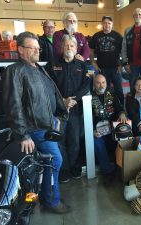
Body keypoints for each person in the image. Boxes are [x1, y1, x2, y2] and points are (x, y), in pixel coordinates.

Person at [2, 31, 70, 213]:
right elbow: (13, 104)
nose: (37, 51)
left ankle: (41, 199)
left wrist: (54, 117)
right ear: (21, 50)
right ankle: (51, 201)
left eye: (38, 48)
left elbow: (45, 99)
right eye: (33, 48)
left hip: (45, 126)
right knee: (55, 160)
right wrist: (22, 135)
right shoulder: (15, 70)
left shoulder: (38, 68)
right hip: (33, 130)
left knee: (42, 166)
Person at [46, 35, 92, 183]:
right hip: (58, 111)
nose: (69, 48)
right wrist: (62, 101)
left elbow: (86, 85)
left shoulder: (81, 65)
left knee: (75, 141)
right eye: (66, 46)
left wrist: (73, 100)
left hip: (75, 111)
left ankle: (73, 166)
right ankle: (64, 169)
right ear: (61, 47)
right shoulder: (52, 64)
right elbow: (48, 86)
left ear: (76, 48)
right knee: (60, 141)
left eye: (72, 46)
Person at [92, 74, 127, 185]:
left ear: (106, 83)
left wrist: (122, 114)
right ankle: (108, 172)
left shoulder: (112, 94)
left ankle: (122, 168)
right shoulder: (89, 97)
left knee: (124, 136)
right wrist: (92, 130)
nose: (101, 85)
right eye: (98, 82)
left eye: (103, 82)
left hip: (113, 127)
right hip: (98, 130)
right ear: (94, 84)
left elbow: (120, 108)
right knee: (96, 142)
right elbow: (86, 117)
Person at [89, 16, 124, 104]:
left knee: (118, 89)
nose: (107, 25)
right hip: (102, 68)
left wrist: (121, 65)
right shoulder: (96, 36)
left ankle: (121, 109)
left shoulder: (118, 36)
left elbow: (123, 51)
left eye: (109, 23)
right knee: (104, 90)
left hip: (115, 68)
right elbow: (91, 50)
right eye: (105, 23)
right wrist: (93, 62)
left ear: (112, 25)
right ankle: (107, 109)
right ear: (102, 24)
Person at [121, 8, 141, 88]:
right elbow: (124, 47)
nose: (138, 16)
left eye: (140, 14)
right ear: (133, 16)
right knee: (133, 88)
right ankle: (133, 101)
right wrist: (125, 63)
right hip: (132, 65)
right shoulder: (128, 30)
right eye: (136, 14)